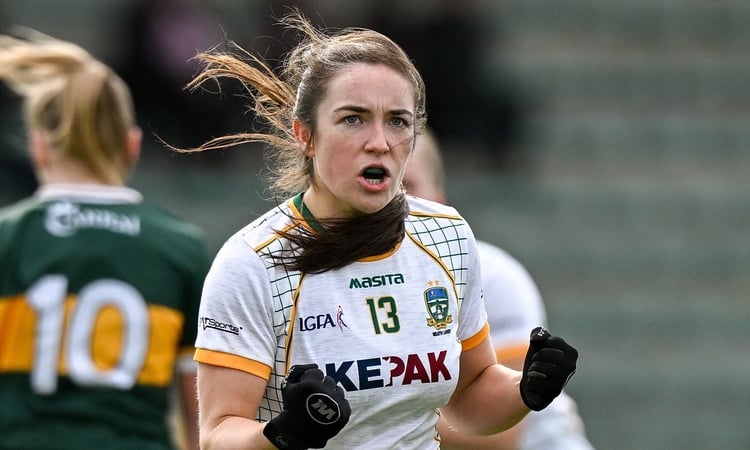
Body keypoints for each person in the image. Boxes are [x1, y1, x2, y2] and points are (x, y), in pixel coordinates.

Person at [184, 11, 577, 450]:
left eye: (398, 121)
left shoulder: (446, 237)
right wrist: (283, 432)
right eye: (353, 118)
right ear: (305, 135)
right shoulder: (252, 262)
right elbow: (217, 435)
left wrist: (526, 389)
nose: (380, 141)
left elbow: (469, 397)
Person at [0, 30, 210, 450]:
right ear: (131, 146)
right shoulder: (182, 248)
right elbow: (202, 422)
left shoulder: (8, 236)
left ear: (39, 148)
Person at [403, 131, 595, 450]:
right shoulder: (311, 281)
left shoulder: (490, 277)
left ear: (438, 201)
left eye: (408, 186)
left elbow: (502, 433)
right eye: (379, 180)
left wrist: (368, 413)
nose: (395, 200)